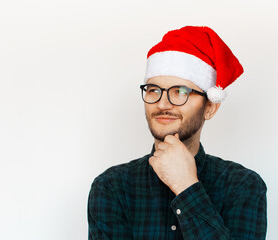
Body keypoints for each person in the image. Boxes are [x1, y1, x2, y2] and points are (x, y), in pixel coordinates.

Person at [87, 26, 267, 239]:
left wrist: (186, 187)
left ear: (210, 107)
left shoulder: (243, 186)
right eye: (153, 90)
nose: (163, 103)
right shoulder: (112, 187)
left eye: (180, 92)